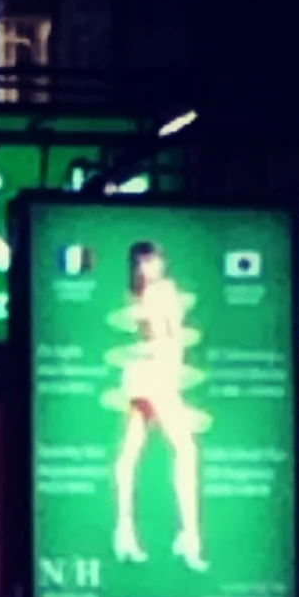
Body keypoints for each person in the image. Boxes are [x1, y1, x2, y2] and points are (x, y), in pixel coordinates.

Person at [110, 238, 207, 569]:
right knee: (184, 450)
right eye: (146, 262)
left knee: (130, 453)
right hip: (157, 376)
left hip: (141, 375)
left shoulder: (138, 296)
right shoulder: (162, 292)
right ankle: (189, 537)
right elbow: (171, 339)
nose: (152, 266)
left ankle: (125, 530)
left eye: (154, 260)